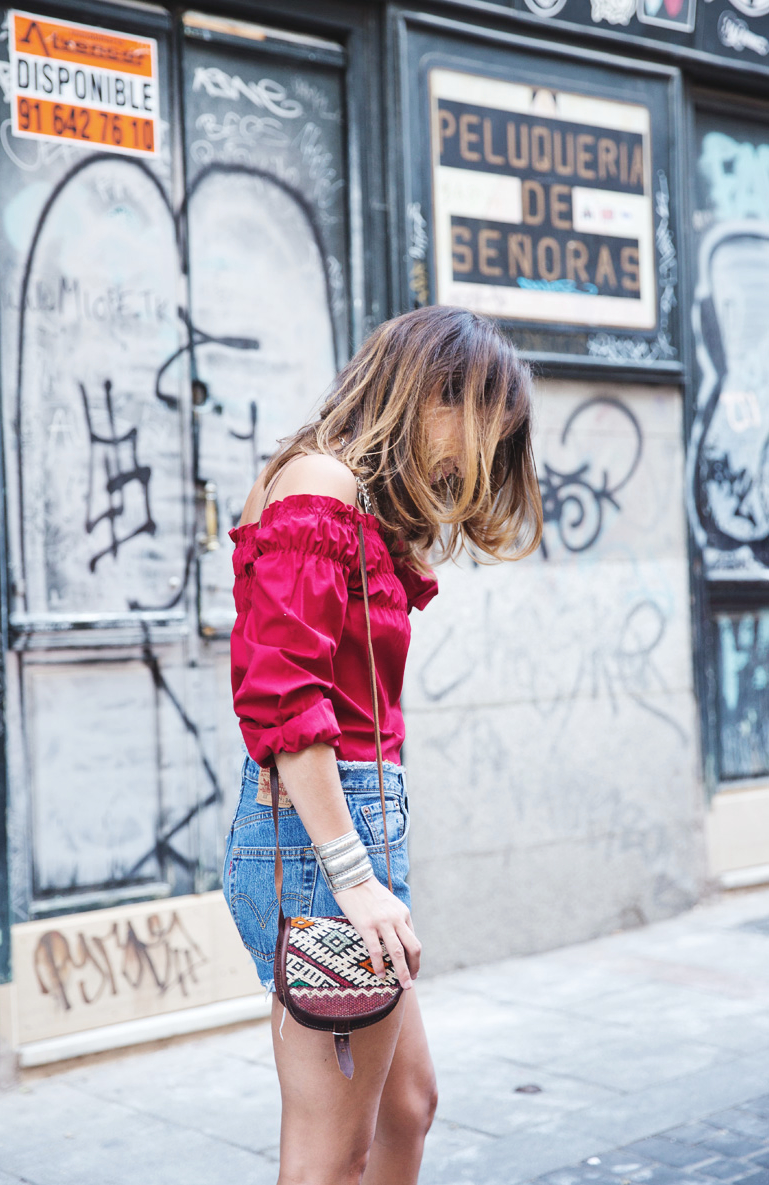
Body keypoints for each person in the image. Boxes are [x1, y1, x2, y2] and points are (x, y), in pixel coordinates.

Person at [224, 305, 543, 1185]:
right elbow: (284, 700)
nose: (467, 459)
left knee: (407, 1107)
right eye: (480, 427)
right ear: (430, 393)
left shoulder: (343, 490)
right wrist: (354, 875)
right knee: (331, 1155)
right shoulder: (317, 485)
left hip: (347, 826)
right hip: (321, 839)